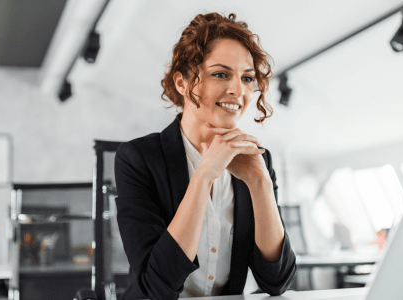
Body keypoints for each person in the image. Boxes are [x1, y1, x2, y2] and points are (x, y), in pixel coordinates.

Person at [114, 12, 296, 300]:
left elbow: (277, 281)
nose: (238, 90)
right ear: (182, 83)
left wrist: (260, 182)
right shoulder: (137, 158)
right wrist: (203, 176)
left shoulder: (258, 160)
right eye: (221, 74)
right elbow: (155, 288)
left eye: (247, 78)